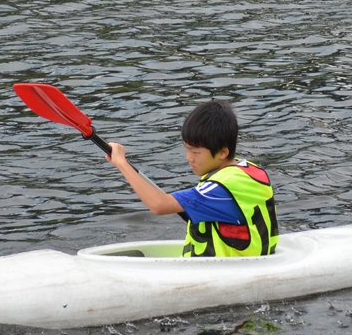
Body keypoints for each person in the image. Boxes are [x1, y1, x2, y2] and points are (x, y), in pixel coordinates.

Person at [106, 100, 279, 257]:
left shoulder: (221, 188)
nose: (189, 158)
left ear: (223, 152)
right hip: (252, 261)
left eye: (195, 152)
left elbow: (159, 205)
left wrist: (122, 163)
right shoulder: (247, 171)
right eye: (187, 149)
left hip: (224, 273)